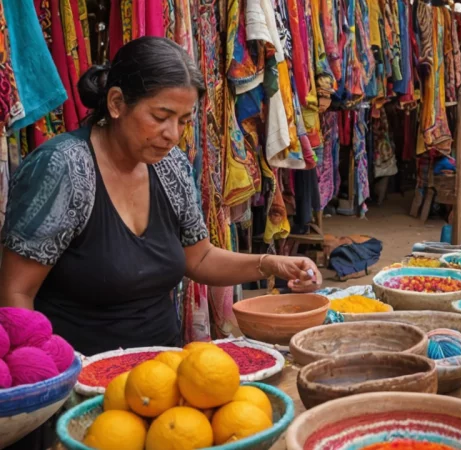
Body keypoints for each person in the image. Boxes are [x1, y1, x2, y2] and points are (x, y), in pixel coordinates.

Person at [0, 37, 323, 357]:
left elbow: (199, 258)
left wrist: (272, 264)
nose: (172, 134)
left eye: (184, 121)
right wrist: (46, 372)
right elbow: (16, 291)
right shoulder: (63, 167)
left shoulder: (170, 165)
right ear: (116, 103)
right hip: (79, 372)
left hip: (163, 366)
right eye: (159, 117)